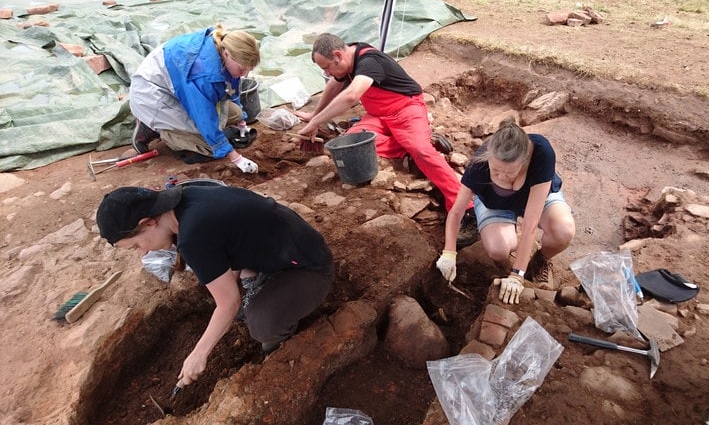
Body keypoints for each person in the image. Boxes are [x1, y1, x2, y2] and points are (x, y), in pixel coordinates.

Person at [96, 184, 334, 389]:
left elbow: (229, 304)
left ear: (148, 223)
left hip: (307, 265)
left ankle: (280, 344)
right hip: (279, 245)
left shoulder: (193, 236)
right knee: (228, 289)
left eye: (136, 245)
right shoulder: (184, 200)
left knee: (261, 324)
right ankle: (262, 288)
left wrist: (198, 354)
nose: (143, 252)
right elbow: (227, 241)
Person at [295, 32, 477, 247]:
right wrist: (313, 114)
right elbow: (335, 85)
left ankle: (467, 209)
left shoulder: (369, 61)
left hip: (406, 109)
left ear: (337, 55)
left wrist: (316, 122)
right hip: (378, 115)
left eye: (326, 67)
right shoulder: (346, 58)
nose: (326, 73)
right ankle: (415, 142)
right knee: (352, 144)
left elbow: (351, 95)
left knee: (421, 151)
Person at [436, 121, 575, 304]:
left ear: (525, 160)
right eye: (496, 170)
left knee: (563, 231)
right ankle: (514, 237)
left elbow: (530, 225)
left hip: (534, 194)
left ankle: (540, 259)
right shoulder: (479, 165)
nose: (501, 176)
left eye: (510, 173)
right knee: (498, 250)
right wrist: (449, 252)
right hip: (495, 203)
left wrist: (517, 275)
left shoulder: (542, 152)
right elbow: (456, 212)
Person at [129, 23, 260, 173]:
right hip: (150, 96)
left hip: (176, 87)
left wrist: (241, 122)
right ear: (226, 54)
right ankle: (159, 130)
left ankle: (172, 125)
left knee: (234, 113)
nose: (244, 74)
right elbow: (203, 115)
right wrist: (236, 158)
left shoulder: (222, 49)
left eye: (248, 70)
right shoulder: (201, 74)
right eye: (242, 69)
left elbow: (232, 86)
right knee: (210, 147)